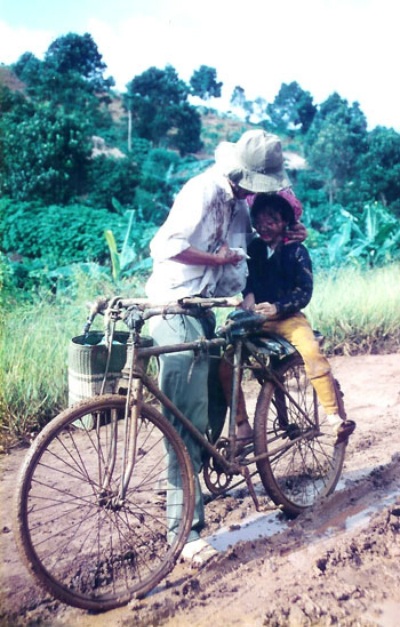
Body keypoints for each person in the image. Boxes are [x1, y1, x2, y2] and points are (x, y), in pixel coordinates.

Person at [145, 130, 306, 565]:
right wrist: (216, 260)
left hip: (205, 312)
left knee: (211, 408)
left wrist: (290, 236)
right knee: (186, 422)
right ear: (245, 174)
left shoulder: (238, 203)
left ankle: (212, 461)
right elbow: (164, 246)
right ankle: (187, 531)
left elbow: (253, 248)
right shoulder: (203, 191)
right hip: (173, 308)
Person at [220, 192, 356, 451]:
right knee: (227, 363)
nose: (263, 226)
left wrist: (277, 307)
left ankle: (335, 418)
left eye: (271, 220)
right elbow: (247, 280)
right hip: (256, 319)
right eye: (259, 221)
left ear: (285, 222)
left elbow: (304, 292)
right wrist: (248, 297)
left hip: (289, 318)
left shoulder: (297, 251)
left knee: (312, 352)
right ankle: (242, 426)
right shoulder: (254, 249)